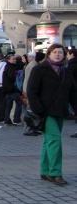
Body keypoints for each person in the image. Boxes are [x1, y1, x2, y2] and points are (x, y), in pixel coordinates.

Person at [27, 44, 77, 185]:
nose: (57, 55)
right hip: (45, 112)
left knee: (49, 141)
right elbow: (31, 91)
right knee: (55, 140)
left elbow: (73, 91)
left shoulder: (65, 72)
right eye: (54, 52)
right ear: (49, 54)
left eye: (60, 52)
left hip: (60, 111)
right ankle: (55, 173)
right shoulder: (40, 70)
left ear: (64, 55)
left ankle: (45, 170)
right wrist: (39, 109)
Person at [23, 51, 45, 136]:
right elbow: (31, 80)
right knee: (30, 110)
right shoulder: (34, 66)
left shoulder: (33, 65)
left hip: (28, 89)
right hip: (29, 91)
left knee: (31, 110)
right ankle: (28, 129)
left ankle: (32, 128)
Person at [2, 53, 24, 126]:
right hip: (12, 89)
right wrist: (17, 74)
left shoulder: (7, 66)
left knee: (9, 104)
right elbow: (12, 77)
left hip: (7, 89)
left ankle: (7, 119)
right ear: (8, 60)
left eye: (15, 59)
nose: (15, 60)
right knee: (19, 102)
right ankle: (16, 119)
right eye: (13, 59)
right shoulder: (10, 67)